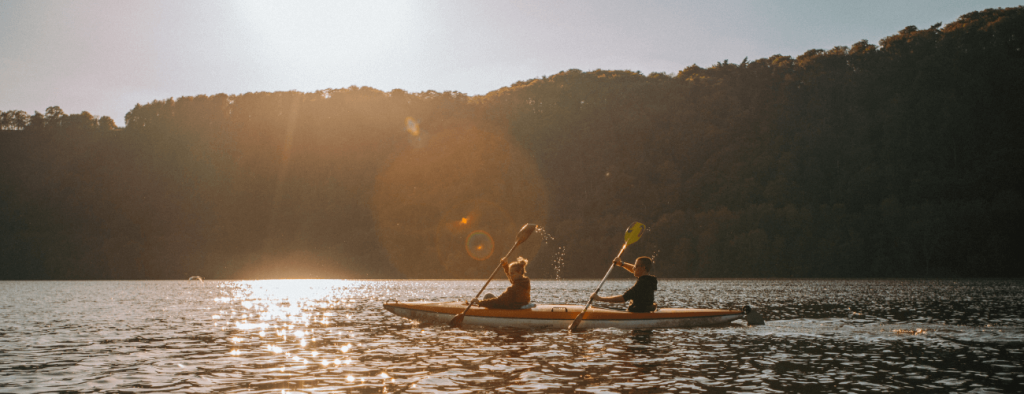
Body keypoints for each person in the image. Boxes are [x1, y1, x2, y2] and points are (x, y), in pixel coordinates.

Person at [590, 256, 657, 312]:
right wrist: (621, 264)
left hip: (638, 313)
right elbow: (635, 270)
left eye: (636, 266)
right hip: (643, 310)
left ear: (643, 267)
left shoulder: (642, 284)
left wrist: (600, 299)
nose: (633, 268)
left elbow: (623, 298)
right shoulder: (649, 279)